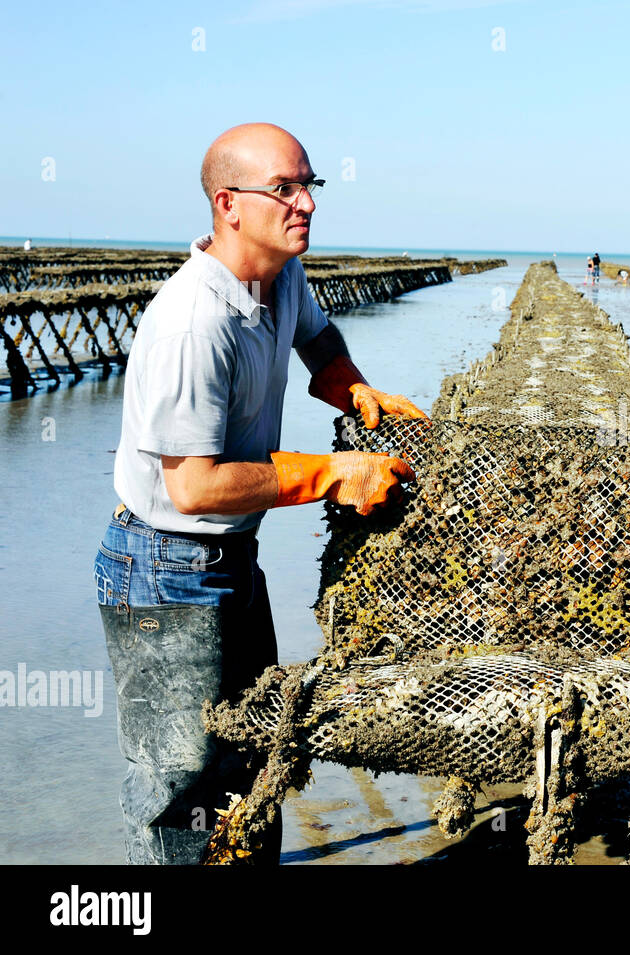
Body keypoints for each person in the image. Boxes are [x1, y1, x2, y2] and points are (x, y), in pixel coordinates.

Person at [93, 123, 426, 865]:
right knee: (180, 787)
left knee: (256, 755)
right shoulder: (192, 323)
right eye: (285, 188)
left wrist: (352, 385)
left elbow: (318, 337)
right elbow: (194, 485)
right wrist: (332, 472)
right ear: (229, 204)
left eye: (310, 185)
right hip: (163, 567)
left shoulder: (283, 274)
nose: (307, 203)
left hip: (232, 558)